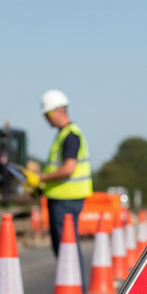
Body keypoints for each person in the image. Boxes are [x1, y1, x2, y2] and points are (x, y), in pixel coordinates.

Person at [38, 89, 93, 277]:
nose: (46, 118)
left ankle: (75, 293)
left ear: (58, 111)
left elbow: (68, 168)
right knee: (64, 246)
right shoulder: (64, 135)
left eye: (47, 114)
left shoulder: (70, 135)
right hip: (62, 198)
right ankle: (73, 292)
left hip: (66, 199)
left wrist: (41, 179)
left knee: (66, 247)